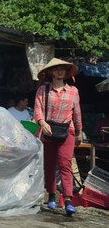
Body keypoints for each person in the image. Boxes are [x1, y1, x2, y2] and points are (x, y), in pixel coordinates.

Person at [34, 58, 82, 216]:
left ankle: (68, 199)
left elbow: (77, 114)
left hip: (67, 131)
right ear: (50, 72)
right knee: (49, 164)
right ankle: (52, 194)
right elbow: (38, 109)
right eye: (56, 69)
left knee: (65, 164)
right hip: (48, 131)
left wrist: (80, 133)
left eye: (62, 69)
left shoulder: (73, 91)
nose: (59, 71)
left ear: (67, 72)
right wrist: (42, 122)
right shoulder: (43, 89)